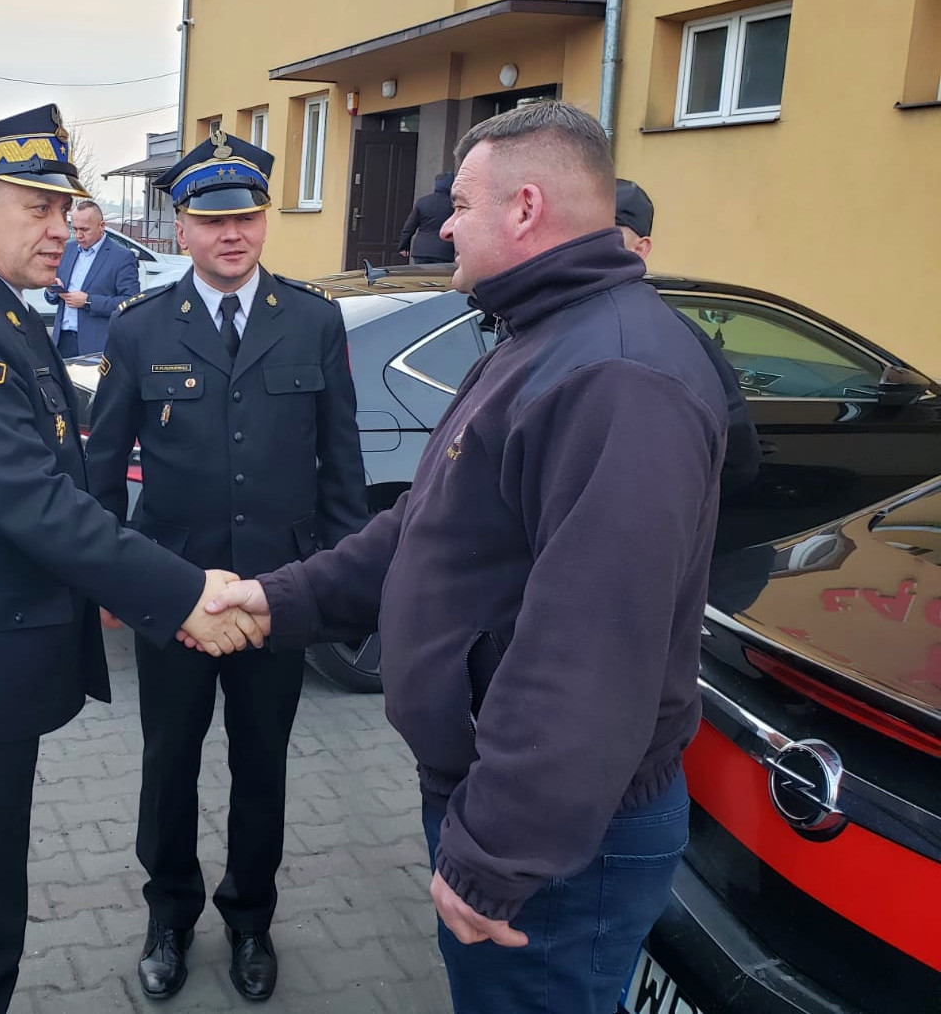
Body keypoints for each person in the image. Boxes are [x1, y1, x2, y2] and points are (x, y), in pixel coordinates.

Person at [200, 102, 730, 1013]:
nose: (442, 226)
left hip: (558, 840)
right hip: (510, 806)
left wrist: (496, 857)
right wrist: (276, 599)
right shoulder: (540, 337)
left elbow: (589, 654)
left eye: (460, 204)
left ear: (525, 208)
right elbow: (424, 529)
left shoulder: (613, 375)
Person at [0, 104, 262, 1014]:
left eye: (65, 207)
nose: (62, 227)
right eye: (38, 207)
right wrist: (179, 592)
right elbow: (32, 499)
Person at [85, 130, 368, 1003]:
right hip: (174, 592)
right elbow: (102, 468)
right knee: (169, 761)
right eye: (212, 221)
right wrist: (108, 581)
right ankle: (169, 915)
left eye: (246, 217)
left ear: (265, 221)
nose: (232, 234)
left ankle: (250, 919)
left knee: (262, 764)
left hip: (277, 595)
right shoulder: (140, 329)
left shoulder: (314, 321)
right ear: (181, 229)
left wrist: (342, 584)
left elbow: (341, 465)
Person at [616, 177, 760, 497]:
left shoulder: (676, 339)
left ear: (641, 249)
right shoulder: (538, 319)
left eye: (608, 237)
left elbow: (736, 454)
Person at [45, 199, 140, 357]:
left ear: (101, 226)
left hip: (96, 345)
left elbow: (131, 303)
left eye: (84, 229)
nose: (78, 235)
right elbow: (53, 298)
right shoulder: (67, 250)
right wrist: (51, 289)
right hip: (62, 341)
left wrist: (89, 301)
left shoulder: (122, 257)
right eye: (75, 229)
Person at [397, 171, 455, 263]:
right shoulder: (454, 205)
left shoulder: (422, 202)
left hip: (421, 250)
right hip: (444, 251)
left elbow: (409, 227)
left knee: (421, 272)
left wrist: (403, 246)